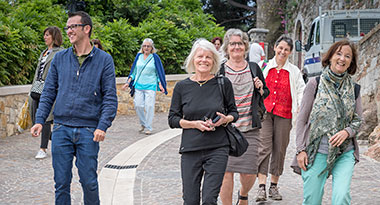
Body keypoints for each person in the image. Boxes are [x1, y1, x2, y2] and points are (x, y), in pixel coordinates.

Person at [30, 11, 118, 204]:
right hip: (61, 129)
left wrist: (102, 126)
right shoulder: (60, 59)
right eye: (67, 27)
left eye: (73, 27)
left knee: (89, 183)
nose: (68, 31)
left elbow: (110, 98)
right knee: (61, 184)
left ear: (86, 29)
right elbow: (48, 93)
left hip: (89, 131)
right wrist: (39, 120)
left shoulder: (104, 60)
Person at [168, 39, 238, 205]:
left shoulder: (223, 83)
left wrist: (225, 120)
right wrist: (195, 124)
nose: (204, 60)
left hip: (218, 147)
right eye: (200, 56)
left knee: (209, 199)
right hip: (190, 149)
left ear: (214, 61)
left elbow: (234, 112)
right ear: (193, 59)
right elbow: (172, 119)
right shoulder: (182, 87)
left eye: (208, 57)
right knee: (190, 200)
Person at [291, 40, 362, 205]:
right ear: (330, 57)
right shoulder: (314, 84)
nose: (342, 59)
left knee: (341, 197)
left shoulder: (355, 88)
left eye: (347, 56)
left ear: (351, 62)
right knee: (312, 200)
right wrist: (300, 150)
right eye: (338, 53)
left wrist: (347, 132)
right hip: (316, 152)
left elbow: (359, 120)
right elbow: (301, 120)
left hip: (344, 152)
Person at [218, 28, 269, 205]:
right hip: (225, 130)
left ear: (245, 46)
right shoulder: (220, 70)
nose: (236, 47)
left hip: (250, 127)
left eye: (240, 43)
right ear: (227, 47)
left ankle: (243, 195)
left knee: (248, 172)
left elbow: (265, 92)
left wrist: (260, 88)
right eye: (232, 43)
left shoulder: (254, 68)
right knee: (225, 173)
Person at [256, 34, 305, 202]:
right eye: (280, 48)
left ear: (290, 52)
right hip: (266, 112)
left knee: (280, 149)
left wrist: (300, 106)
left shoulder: (294, 71)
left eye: (286, 49)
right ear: (275, 48)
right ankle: (261, 186)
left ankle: (274, 186)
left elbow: (301, 90)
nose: (282, 51)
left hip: (285, 114)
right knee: (264, 147)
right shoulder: (264, 67)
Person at [29, 26, 64, 159]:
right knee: (37, 119)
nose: (45, 37)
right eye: (44, 35)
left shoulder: (60, 53)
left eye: (47, 35)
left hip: (50, 90)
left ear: (54, 37)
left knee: (47, 119)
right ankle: (60, 141)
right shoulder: (43, 53)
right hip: (37, 89)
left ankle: (42, 149)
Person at [122, 38, 167, 135]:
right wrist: (128, 82)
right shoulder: (138, 56)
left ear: (152, 48)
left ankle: (148, 127)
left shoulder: (155, 58)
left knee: (149, 106)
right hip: (138, 85)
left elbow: (158, 73)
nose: (146, 48)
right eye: (144, 46)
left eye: (148, 46)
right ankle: (143, 123)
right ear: (142, 47)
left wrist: (160, 84)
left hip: (150, 85)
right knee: (138, 105)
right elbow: (134, 72)